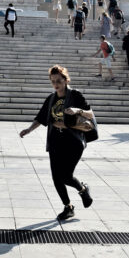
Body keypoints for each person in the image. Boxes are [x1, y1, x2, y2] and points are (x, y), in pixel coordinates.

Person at [19, 65, 94, 221]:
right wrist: (29, 129)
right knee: (56, 177)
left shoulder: (75, 95)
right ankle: (68, 207)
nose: (56, 84)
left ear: (66, 80)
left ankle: (82, 189)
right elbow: (40, 117)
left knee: (66, 176)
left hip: (73, 141)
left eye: (59, 81)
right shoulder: (51, 98)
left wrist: (77, 110)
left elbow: (90, 114)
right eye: (53, 81)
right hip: (55, 141)